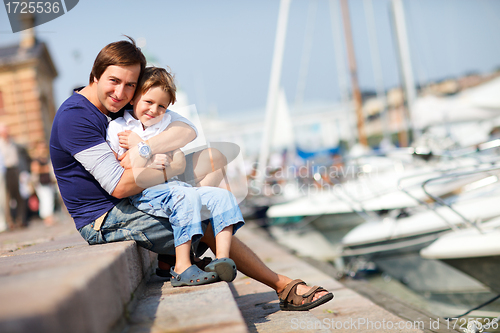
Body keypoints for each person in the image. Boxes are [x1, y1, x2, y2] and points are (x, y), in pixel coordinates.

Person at [50, 36, 333, 310]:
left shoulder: (117, 105)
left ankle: (170, 255)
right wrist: (171, 168)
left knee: (213, 157)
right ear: (95, 75)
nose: (122, 93)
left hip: (138, 191)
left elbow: (186, 130)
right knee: (202, 214)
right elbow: (119, 187)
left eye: (130, 86)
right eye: (114, 82)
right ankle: (282, 286)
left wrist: (146, 148)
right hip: (104, 217)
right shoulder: (75, 117)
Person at [106, 66, 243, 285]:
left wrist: (140, 146)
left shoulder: (166, 122)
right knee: (186, 197)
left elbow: (182, 145)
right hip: (145, 191)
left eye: (162, 106)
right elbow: (121, 165)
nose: (154, 110)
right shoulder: (118, 127)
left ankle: (222, 259)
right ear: (134, 99)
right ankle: (181, 265)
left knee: (222, 197)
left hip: (174, 186)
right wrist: (150, 155)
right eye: (148, 102)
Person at [0, 124, 27, 229]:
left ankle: (21, 219)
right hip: (5, 171)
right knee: (7, 196)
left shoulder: (13, 142)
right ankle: (9, 220)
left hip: (15, 169)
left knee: (19, 195)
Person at [30, 141, 56, 226]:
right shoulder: (36, 160)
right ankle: (46, 218)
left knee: (50, 199)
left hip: (48, 182)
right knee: (45, 200)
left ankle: (49, 217)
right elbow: (35, 169)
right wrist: (46, 168)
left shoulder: (46, 158)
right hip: (40, 183)